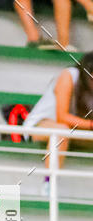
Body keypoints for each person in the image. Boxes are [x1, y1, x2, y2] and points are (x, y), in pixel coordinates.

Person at [23, 51, 93, 188]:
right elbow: (62, 117)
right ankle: (49, 184)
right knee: (61, 130)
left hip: (75, 132)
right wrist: (91, 124)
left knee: (65, 131)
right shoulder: (70, 75)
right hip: (41, 125)